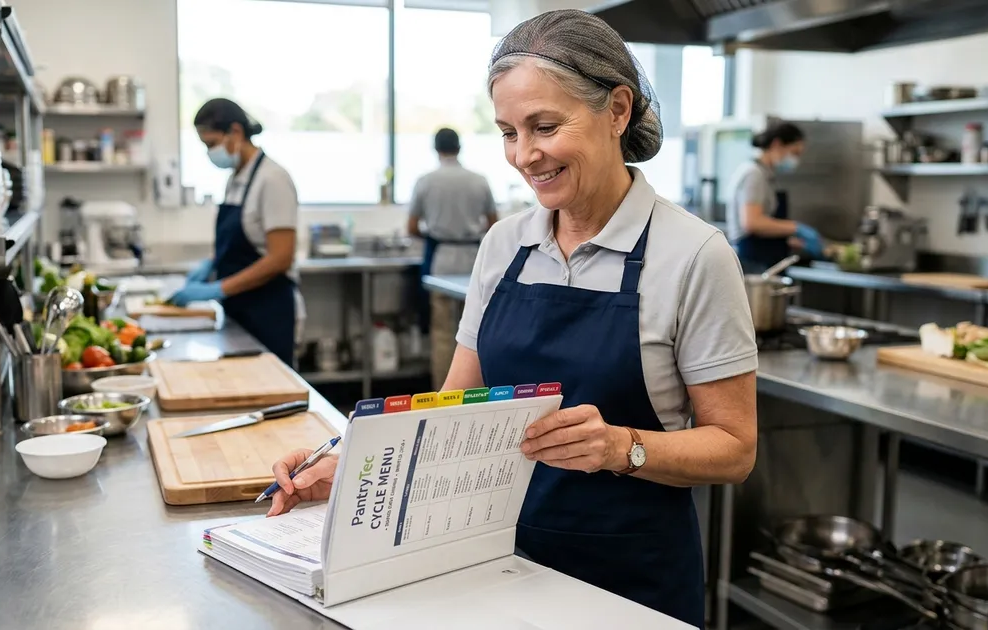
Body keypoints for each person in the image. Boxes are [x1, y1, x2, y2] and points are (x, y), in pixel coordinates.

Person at [265, 10, 757, 629]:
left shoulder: (693, 254)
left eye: (545, 126)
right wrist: (354, 467)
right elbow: (453, 401)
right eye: (507, 132)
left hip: (630, 576)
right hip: (489, 562)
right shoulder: (504, 246)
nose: (524, 156)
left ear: (618, 110)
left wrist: (619, 447)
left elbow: (734, 449)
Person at [172, 98, 303, 366]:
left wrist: (218, 288)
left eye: (211, 143)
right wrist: (212, 264)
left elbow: (280, 258)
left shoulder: (273, 179)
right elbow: (237, 242)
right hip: (239, 309)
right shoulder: (235, 180)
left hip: (269, 311)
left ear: (236, 132)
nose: (210, 153)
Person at [408, 127, 498, 387]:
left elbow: (411, 228)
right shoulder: (479, 180)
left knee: (444, 334)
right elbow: (494, 225)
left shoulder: (426, 181)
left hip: (442, 258)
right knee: (477, 333)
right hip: (474, 258)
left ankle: (443, 397)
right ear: (460, 147)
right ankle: (475, 397)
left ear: (436, 149)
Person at [726, 121, 824, 273]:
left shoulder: (765, 175)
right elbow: (752, 222)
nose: (795, 160)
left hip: (762, 259)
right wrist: (796, 228)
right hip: (752, 262)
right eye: (794, 153)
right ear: (777, 144)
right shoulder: (754, 174)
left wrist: (791, 241)